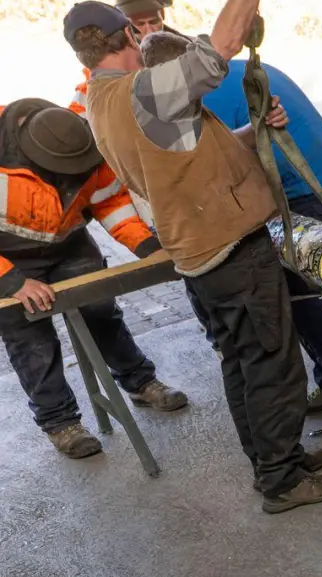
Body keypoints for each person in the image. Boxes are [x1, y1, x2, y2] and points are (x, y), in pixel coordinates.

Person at [70, 0, 322, 514]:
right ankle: (281, 479)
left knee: (243, 360)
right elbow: (217, 50)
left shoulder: (101, 101)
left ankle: (276, 459)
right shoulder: (141, 93)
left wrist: (256, 130)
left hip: (200, 251)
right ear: (131, 33)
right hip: (229, 248)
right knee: (272, 362)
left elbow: (184, 156)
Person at [138, 30, 322, 415]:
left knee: (285, 289)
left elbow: (213, 159)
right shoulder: (242, 70)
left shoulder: (203, 95)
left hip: (309, 195)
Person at [0, 99, 189, 458]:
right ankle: (61, 424)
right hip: (8, 261)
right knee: (30, 341)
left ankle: (140, 382)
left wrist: (148, 247)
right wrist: (12, 283)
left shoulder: (83, 140)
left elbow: (109, 201)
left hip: (69, 244)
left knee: (101, 312)